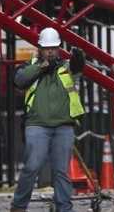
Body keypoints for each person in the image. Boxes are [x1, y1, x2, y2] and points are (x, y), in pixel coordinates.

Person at [10, 27, 86, 212]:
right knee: (32, 167)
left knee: (61, 171)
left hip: (63, 126)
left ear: (59, 48)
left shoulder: (66, 68)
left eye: (54, 47)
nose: (50, 51)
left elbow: (78, 67)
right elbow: (19, 80)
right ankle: (19, 206)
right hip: (37, 125)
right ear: (40, 48)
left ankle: (64, 208)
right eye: (47, 48)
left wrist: (79, 57)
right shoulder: (31, 66)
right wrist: (41, 67)